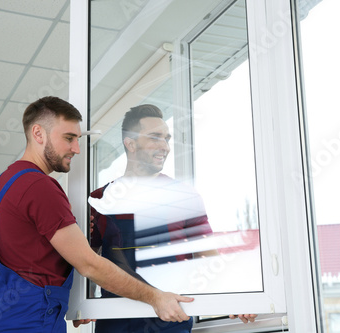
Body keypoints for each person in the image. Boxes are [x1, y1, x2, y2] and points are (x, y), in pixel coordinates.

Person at [0, 97, 194, 333]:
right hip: (32, 325)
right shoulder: (39, 187)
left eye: (78, 140)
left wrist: (83, 298)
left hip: (1, 322)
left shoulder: (4, 184)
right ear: (38, 133)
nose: (76, 149)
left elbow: (34, 260)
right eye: (69, 138)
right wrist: (156, 298)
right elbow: (89, 264)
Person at [89, 104, 257, 333]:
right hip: (116, 320)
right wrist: (83, 304)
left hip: (169, 323)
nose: (164, 146)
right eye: (155, 137)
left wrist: (239, 297)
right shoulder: (100, 199)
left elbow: (208, 257)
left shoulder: (184, 197)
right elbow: (87, 260)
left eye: (166, 138)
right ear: (130, 143)